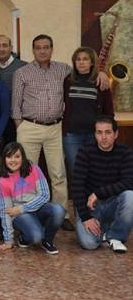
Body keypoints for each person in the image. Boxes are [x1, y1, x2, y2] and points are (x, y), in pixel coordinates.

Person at [12, 34, 108, 230]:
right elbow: (15, 104)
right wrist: (20, 126)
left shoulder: (64, 70)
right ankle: (27, 213)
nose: (42, 50)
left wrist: (102, 73)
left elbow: (86, 73)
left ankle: (62, 214)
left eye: (46, 47)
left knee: (58, 174)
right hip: (29, 127)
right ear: (33, 50)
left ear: (52, 49)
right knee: (27, 173)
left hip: (56, 128)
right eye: (38, 47)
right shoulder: (22, 72)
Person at [72, 116, 133, 253]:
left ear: (116, 134)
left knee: (130, 196)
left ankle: (115, 236)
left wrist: (98, 193)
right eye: (99, 132)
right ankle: (105, 229)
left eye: (108, 132)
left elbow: (129, 182)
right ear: (95, 134)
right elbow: (77, 186)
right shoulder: (85, 152)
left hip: (112, 204)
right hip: (90, 208)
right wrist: (86, 218)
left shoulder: (125, 153)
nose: (103, 137)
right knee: (89, 244)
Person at [0, 142, 65, 254]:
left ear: (23, 157)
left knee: (58, 210)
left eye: (17, 156)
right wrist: (8, 240)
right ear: (4, 159)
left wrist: (22, 208)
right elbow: (6, 211)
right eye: (9, 156)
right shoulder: (3, 180)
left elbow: (45, 195)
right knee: (36, 237)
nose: (13, 160)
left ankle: (47, 240)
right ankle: (24, 237)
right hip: (21, 216)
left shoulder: (34, 169)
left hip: (36, 209)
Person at [63, 47, 113, 172]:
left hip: (94, 135)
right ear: (74, 62)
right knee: (75, 169)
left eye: (85, 59)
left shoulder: (100, 81)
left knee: (95, 170)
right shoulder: (68, 81)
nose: (81, 62)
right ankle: (78, 193)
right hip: (71, 135)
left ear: (92, 62)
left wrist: (106, 132)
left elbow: (109, 111)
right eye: (78, 59)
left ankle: (93, 193)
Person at [0, 34, 26, 148]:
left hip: (16, 120)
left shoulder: (23, 67)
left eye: (5, 45)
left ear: (11, 48)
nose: (1, 49)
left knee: (14, 154)